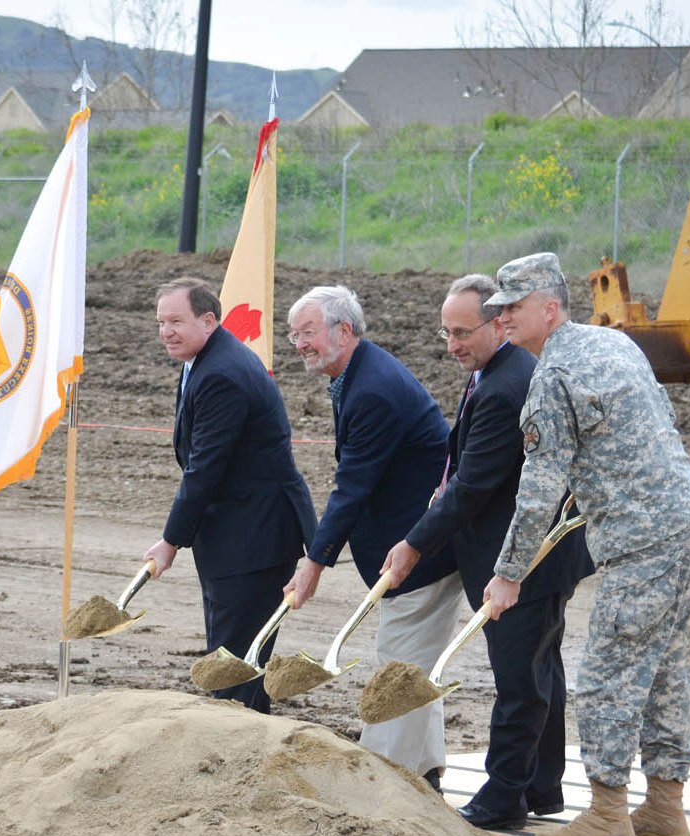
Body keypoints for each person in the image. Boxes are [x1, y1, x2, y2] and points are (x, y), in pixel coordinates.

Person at [482, 252, 690, 836]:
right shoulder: (613, 345)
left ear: (549, 307)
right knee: (670, 669)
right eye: (497, 309)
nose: (501, 318)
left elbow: (538, 490)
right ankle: (665, 808)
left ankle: (610, 814)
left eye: (512, 307)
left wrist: (508, 574)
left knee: (610, 674)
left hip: (643, 540)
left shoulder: (554, 374)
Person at [382, 274, 593, 831]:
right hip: (539, 552)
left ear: (499, 324)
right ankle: (541, 788)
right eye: (445, 332)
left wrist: (412, 544)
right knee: (541, 667)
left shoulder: (503, 388)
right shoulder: (497, 371)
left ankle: (503, 800)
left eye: (462, 332)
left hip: (524, 558)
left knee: (520, 679)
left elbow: (472, 489)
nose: (452, 344)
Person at [283, 285, 464, 791]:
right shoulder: (358, 375)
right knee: (412, 657)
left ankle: (385, 778)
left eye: (309, 332)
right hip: (415, 538)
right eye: (294, 334)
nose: (299, 343)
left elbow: (353, 485)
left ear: (344, 330)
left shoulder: (373, 389)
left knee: (399, 660)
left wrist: (314, 561)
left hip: (419, 547)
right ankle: (423, 768)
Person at [145, 277, 317, 714]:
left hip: (253, 537)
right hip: (238, 532)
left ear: (208, 320)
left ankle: (239, 760)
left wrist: (170, 541)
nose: (166, 331)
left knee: (235, 667)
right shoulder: (204, 361)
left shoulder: (222, 373)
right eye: (162, 322)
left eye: (176, 321)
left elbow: (204, 469)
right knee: (235, 659)